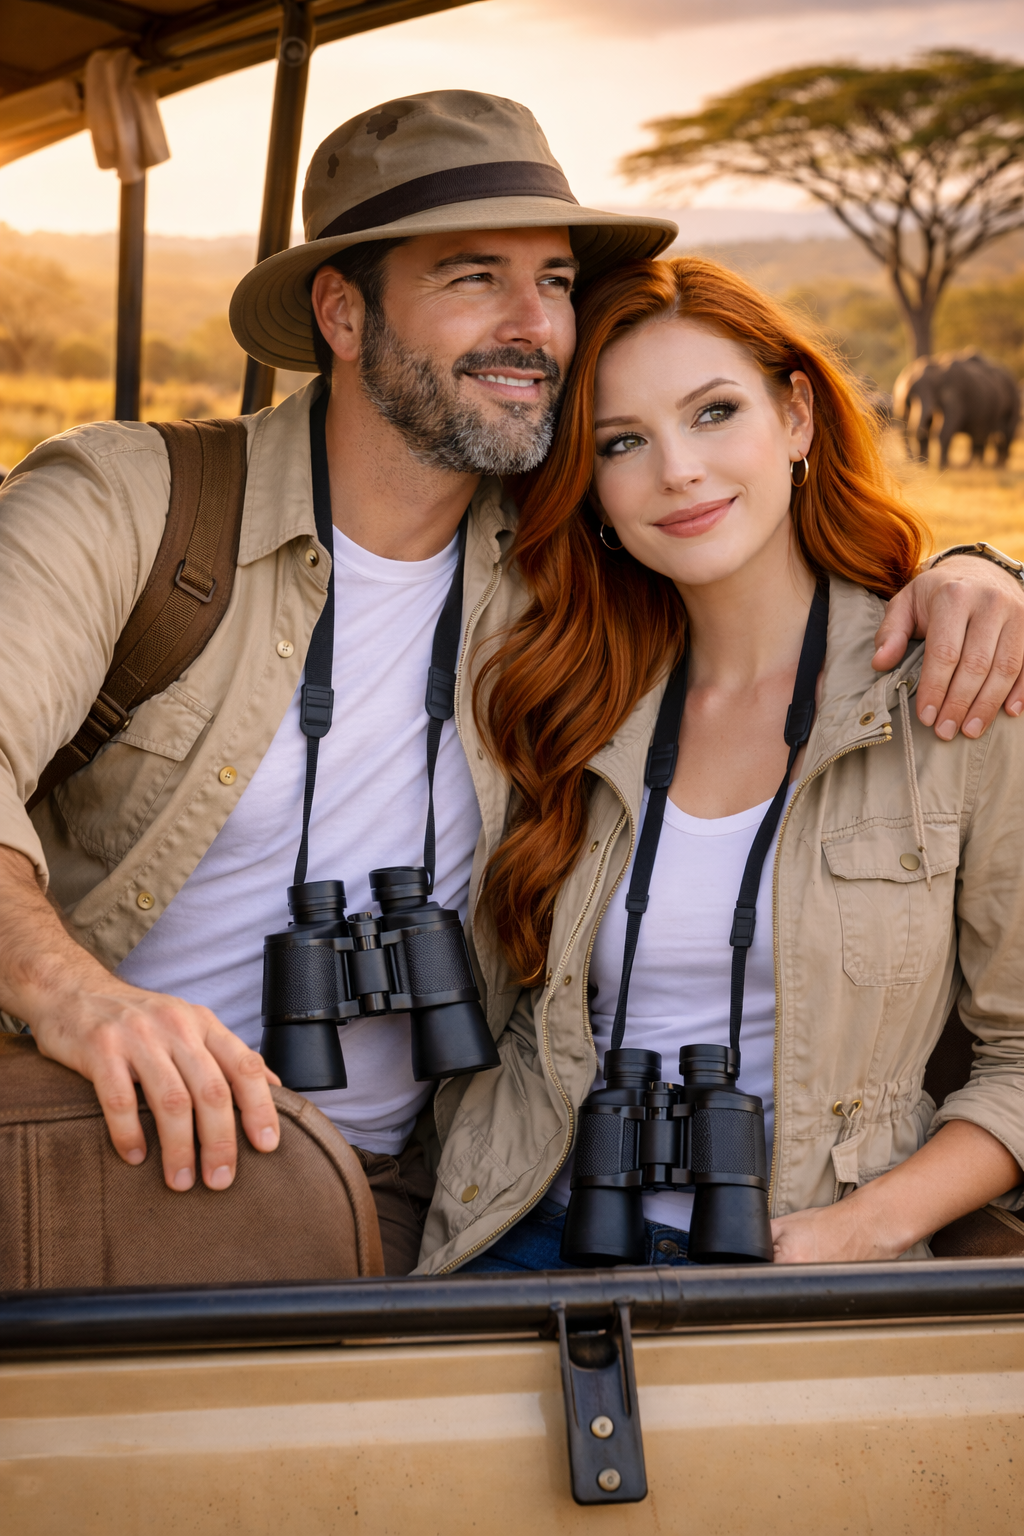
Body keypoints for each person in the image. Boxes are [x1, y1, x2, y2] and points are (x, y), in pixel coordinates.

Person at [0, 94, 1019, 1273]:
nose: (532, 325)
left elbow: (757, 552)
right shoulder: (131, 506)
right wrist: (78, 1000)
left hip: (401, 1204)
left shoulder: (567, 576)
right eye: (472, 277)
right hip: (97, 1152)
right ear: (341, 309)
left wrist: (975, 572)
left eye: (553, 280)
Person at [416, 256, 1024, 1274]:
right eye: (622, 442)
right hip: (528, 1237)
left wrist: (861, 1228)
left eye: (712, 413)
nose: (679, 473)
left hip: (804, 1255)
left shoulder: (955, 694)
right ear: (592, 488)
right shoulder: (558, 689)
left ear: (795, 418)